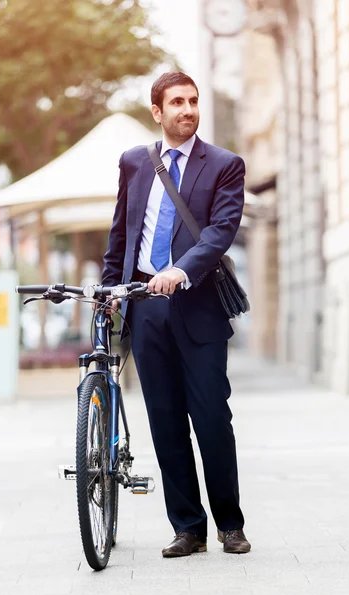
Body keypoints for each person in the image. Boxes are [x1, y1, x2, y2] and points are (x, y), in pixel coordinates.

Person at [102, 72, 250, 557]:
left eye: (193, 101)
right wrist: (109, 288)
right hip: (145, 311)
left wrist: (179, 271)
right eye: (177, 102)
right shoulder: (133, 163)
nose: (188, 109)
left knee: (211, 419)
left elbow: (219, 232)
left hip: (198, 308)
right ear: (158, 112)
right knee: (165, 422)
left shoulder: (225, 165)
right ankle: (188, 527)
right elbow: (121, 233)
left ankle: (230, 523)